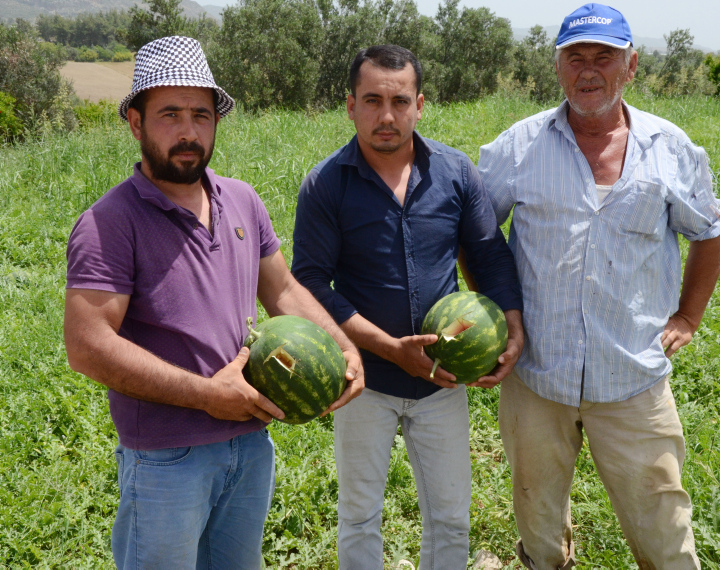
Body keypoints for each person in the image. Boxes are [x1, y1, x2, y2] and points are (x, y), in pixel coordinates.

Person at [62, 36, 363, 568]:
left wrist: (342, 347)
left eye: (201, 115)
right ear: (135, 122)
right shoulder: (109, 224)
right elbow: (87, 347)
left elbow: (284, 290)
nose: (188, 131)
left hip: (249, 445)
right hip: (166, 458)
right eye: (169, 114)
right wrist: (205, 395)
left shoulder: (243, 199)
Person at [477, 4, 720, 569]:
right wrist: (499, 316)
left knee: (666, 535)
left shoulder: (670, 148)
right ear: (558, 66)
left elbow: (710, 233)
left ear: (631, 65)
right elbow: (478, 233)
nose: (588, 70)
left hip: (632, 376)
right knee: (538, 530)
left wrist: (687, 317)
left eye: (604, 57)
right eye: (575, 57)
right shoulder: (518, 146)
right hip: (537, 376)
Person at [291, 45, 523, 569]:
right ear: (350, 105)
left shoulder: (456, 173)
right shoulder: (326, 184)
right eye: (372, 100)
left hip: (442, 381)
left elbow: (488, 254)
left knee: (450, 516)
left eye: (400, 101)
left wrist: (513, 325)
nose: (387, 116)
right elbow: (308, 281)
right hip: (363, 381)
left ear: (420, 105)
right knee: (358, 515)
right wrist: (389, 349)